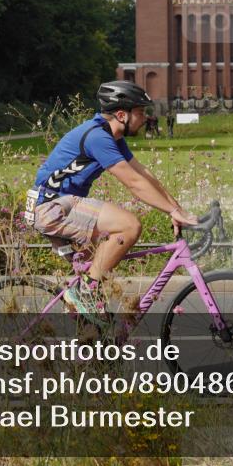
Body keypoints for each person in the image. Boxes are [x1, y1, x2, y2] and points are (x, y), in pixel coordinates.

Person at [29, 80, 198, 325]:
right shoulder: (98, 137)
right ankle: (84, 293)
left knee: (95, 278)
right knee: (129, 226)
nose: (145, 118)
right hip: (52, 207)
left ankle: (90, 333)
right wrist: (171, 209)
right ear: (121, 115)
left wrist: (177, 209)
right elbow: (134, 183)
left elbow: (143, 174)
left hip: (59, 204)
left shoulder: (111, 136)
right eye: (140, 112)